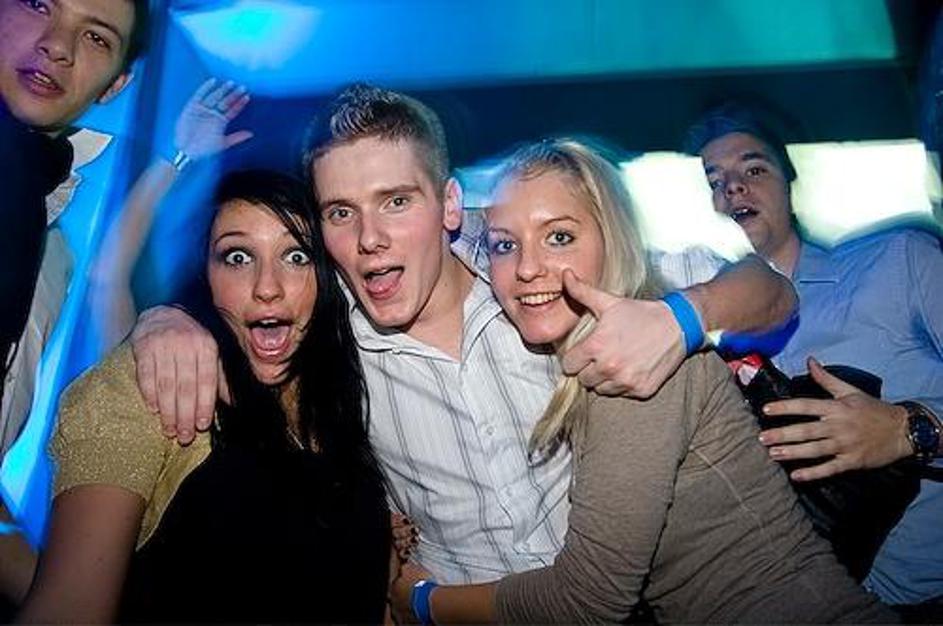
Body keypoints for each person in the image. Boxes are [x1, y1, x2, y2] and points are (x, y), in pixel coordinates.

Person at [130, 84, 798, 583]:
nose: (369, 239)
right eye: (341, 212)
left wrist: (680, 318)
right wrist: (163, 320)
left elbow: (770, 290)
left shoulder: (535, 280)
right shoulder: (328, 335)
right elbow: (242, 300)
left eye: (396, 201)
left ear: (450, 204)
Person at [387, 138, 894, 624]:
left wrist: (422, 602)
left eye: (559, 237)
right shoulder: (574, 348)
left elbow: (584, 603)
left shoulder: (637, 362)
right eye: (505, 245)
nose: (527, 268)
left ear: (612, 240)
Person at [9, 170, 390, 623]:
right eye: (237, 257)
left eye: (296, 255)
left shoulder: (355, 394)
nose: (267, 287)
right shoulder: (153, 390)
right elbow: (68, 610)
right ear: (205, 273)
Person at [685, 103, 943, 610]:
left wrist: (907, 430)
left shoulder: (900, 262)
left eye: (753, 169)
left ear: (788, 182)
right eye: (715, 181)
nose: (732, 188)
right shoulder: (708, 350)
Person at [0, 0, 149, 455]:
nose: (58, 46)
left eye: (96, 37)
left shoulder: (51, 259)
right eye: (38, 4)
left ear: (115, 84)